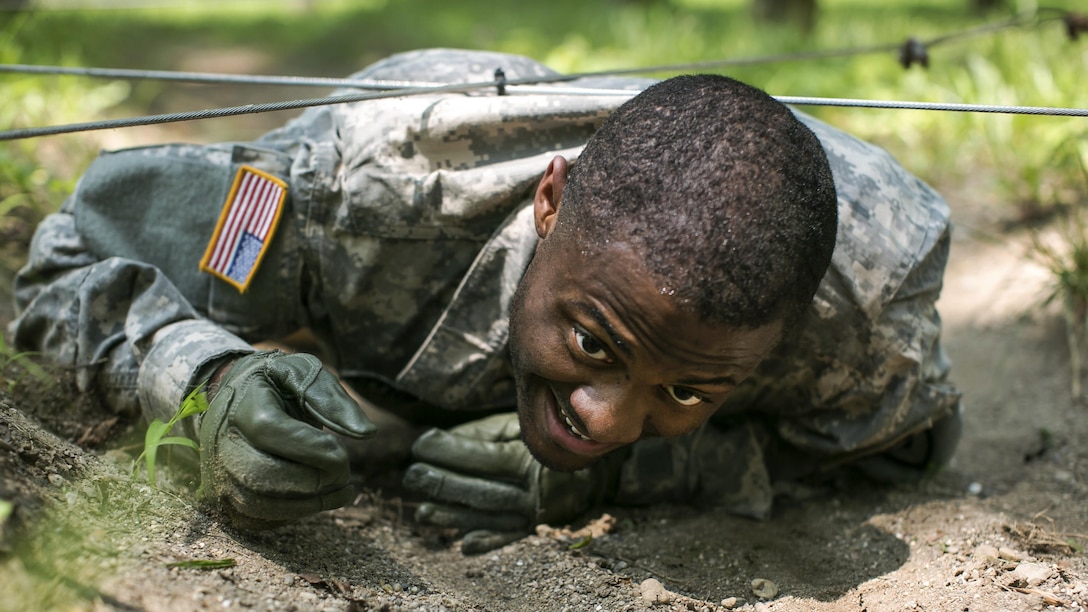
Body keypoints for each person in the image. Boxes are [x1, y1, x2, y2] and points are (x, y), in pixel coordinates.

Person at [10, 48, 962, 553]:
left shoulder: (861, 303)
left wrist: (653, 475)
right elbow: (66, 260)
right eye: (595, 344)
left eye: (688, 393)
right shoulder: (357, 192)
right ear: (550, 204)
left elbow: (903, 447)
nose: (609, 419)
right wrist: (206, 380)